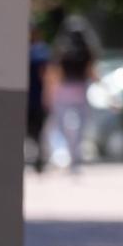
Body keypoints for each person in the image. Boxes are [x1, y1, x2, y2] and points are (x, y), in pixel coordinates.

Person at [45, 14, 101, 171]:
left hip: (63, 92)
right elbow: (93, 73)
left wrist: (49, 94)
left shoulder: (61, 49)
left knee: (61, 126)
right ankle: (75, 158)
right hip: (81, 91)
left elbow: (55, 74)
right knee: (81, 127)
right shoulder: (88, 50)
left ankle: (66, 154)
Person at [28, 23, 52, 172]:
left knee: (37, 131)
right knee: (35, 131)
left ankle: (39, 158)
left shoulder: (39, 51)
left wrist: (47, 96)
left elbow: (46, 75)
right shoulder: (37, 51)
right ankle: (38, 157)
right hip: (33, 98)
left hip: (35, 98)